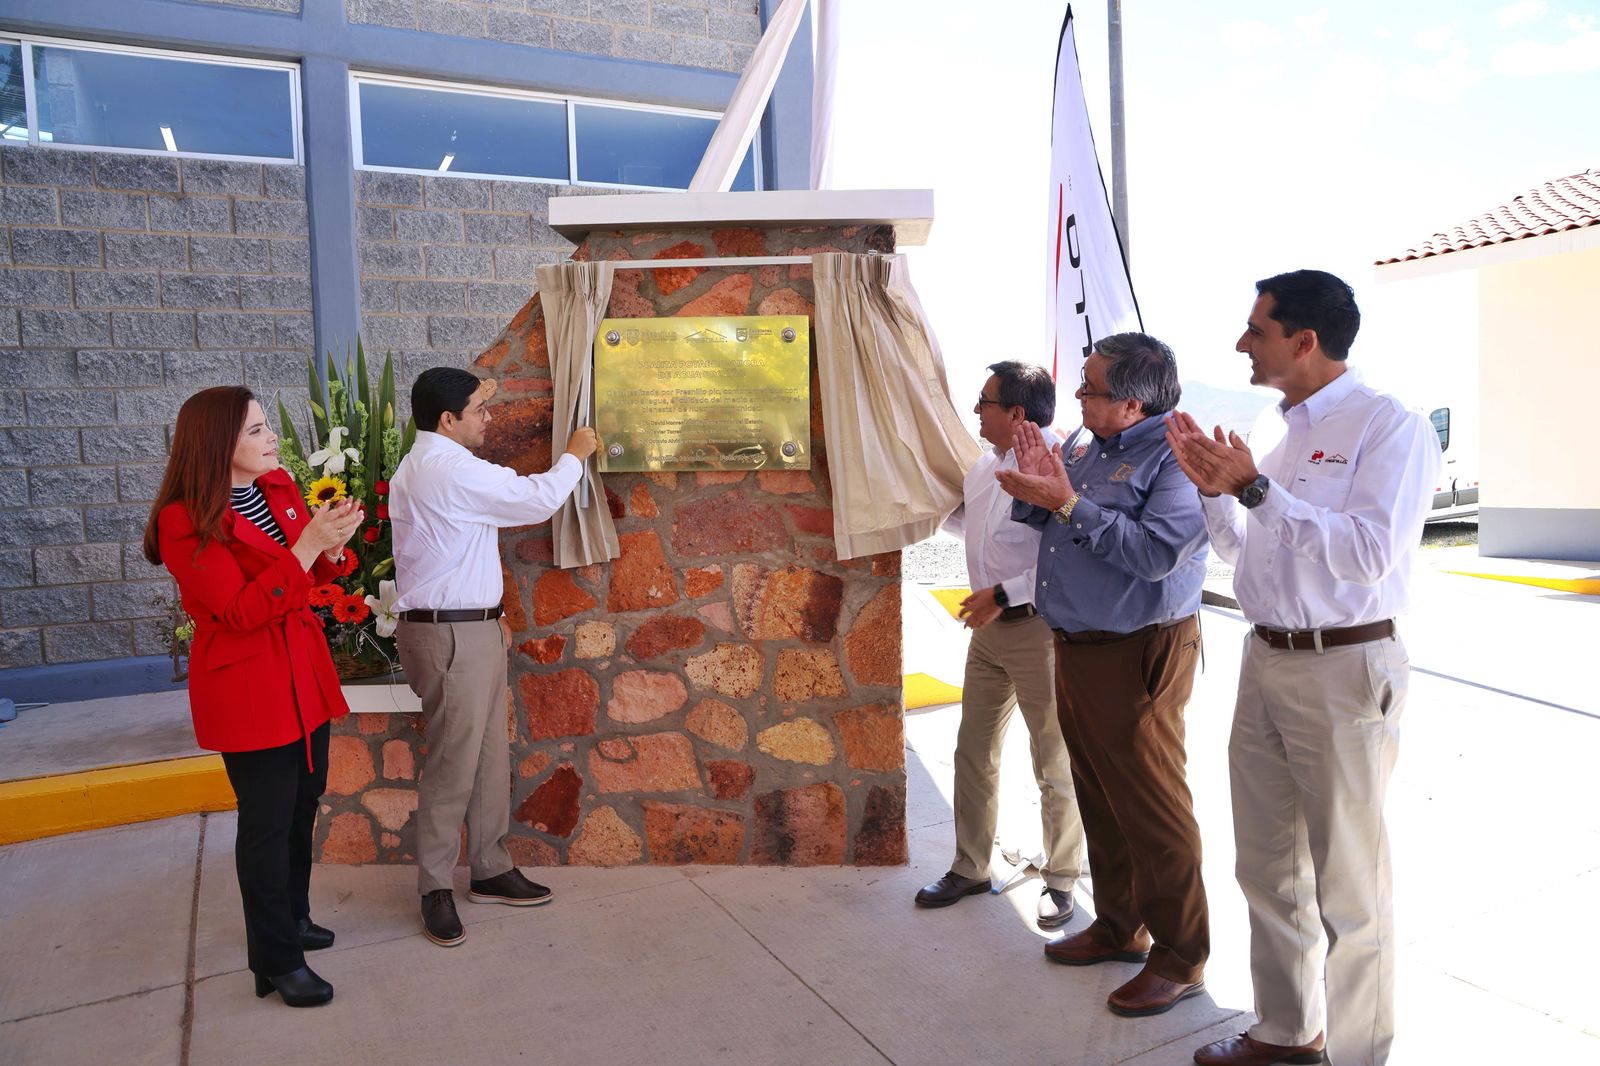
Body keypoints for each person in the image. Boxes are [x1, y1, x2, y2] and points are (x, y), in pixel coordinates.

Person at [1166, 270, 1438, 1066]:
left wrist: (1253, 486)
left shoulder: (1389, 427)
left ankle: (1358, 1056)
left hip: (1344, 667)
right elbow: (1245, 554)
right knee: (1267, 868)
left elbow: (1366, 556)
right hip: (1268, 660)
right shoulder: (1276, 431)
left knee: (1351, 891)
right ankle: (1287, 1035)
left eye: (1256, 329)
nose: (1242, 343)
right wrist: (1218, 493)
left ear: (1304, 340)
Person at [997, 333, 1211, 1019]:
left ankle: (1181, 956)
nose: (1078, 396)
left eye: (1090, 387)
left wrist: (1064, 501)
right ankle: (1121, 925)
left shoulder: (1176, 457)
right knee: (1098, 792)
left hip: (1138, 651)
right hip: (1078, 645)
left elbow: (1154, 556)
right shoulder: (1087, 445)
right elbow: (1056, 518)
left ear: (1131, 400)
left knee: (1152, 806)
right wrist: (1038, 489)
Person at [143, 385, 363, 1008]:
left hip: (302, 672)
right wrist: (309, 547)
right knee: (265, 822)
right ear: (219, 444)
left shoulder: (280, 489)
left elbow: (317, 575)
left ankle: (291, 920)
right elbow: (240, 610)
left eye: (267, 427)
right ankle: (275, 957)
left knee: (303, 802)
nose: (272, 439)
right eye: (258, 431)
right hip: (247, 681)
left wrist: (335, 544)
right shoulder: (183, 519)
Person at [390, 367, 597, 947]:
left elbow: (454, 549)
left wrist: (491, 612)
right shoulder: (447, 468)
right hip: (450, 636)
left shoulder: (432, 465)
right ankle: (435, 885)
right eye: (480, 408)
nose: (490, 417)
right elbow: (535, 499)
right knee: (455, 764)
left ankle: (488, 866)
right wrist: (575, 453)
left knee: (485, 753)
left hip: (467, 629)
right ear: (447, 418)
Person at [915, 361, 1087, 930]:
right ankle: (970, 866)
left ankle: (1062, 879)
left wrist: (1003, 595)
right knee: (974, 750)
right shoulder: (982, 469)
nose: (975, 412)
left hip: (1039, 630)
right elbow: (979, 531)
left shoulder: (1059, 467)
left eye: (984, 403)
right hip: (989, 631)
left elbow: (1065, 557)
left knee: (1053, 758)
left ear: (1016, 413)